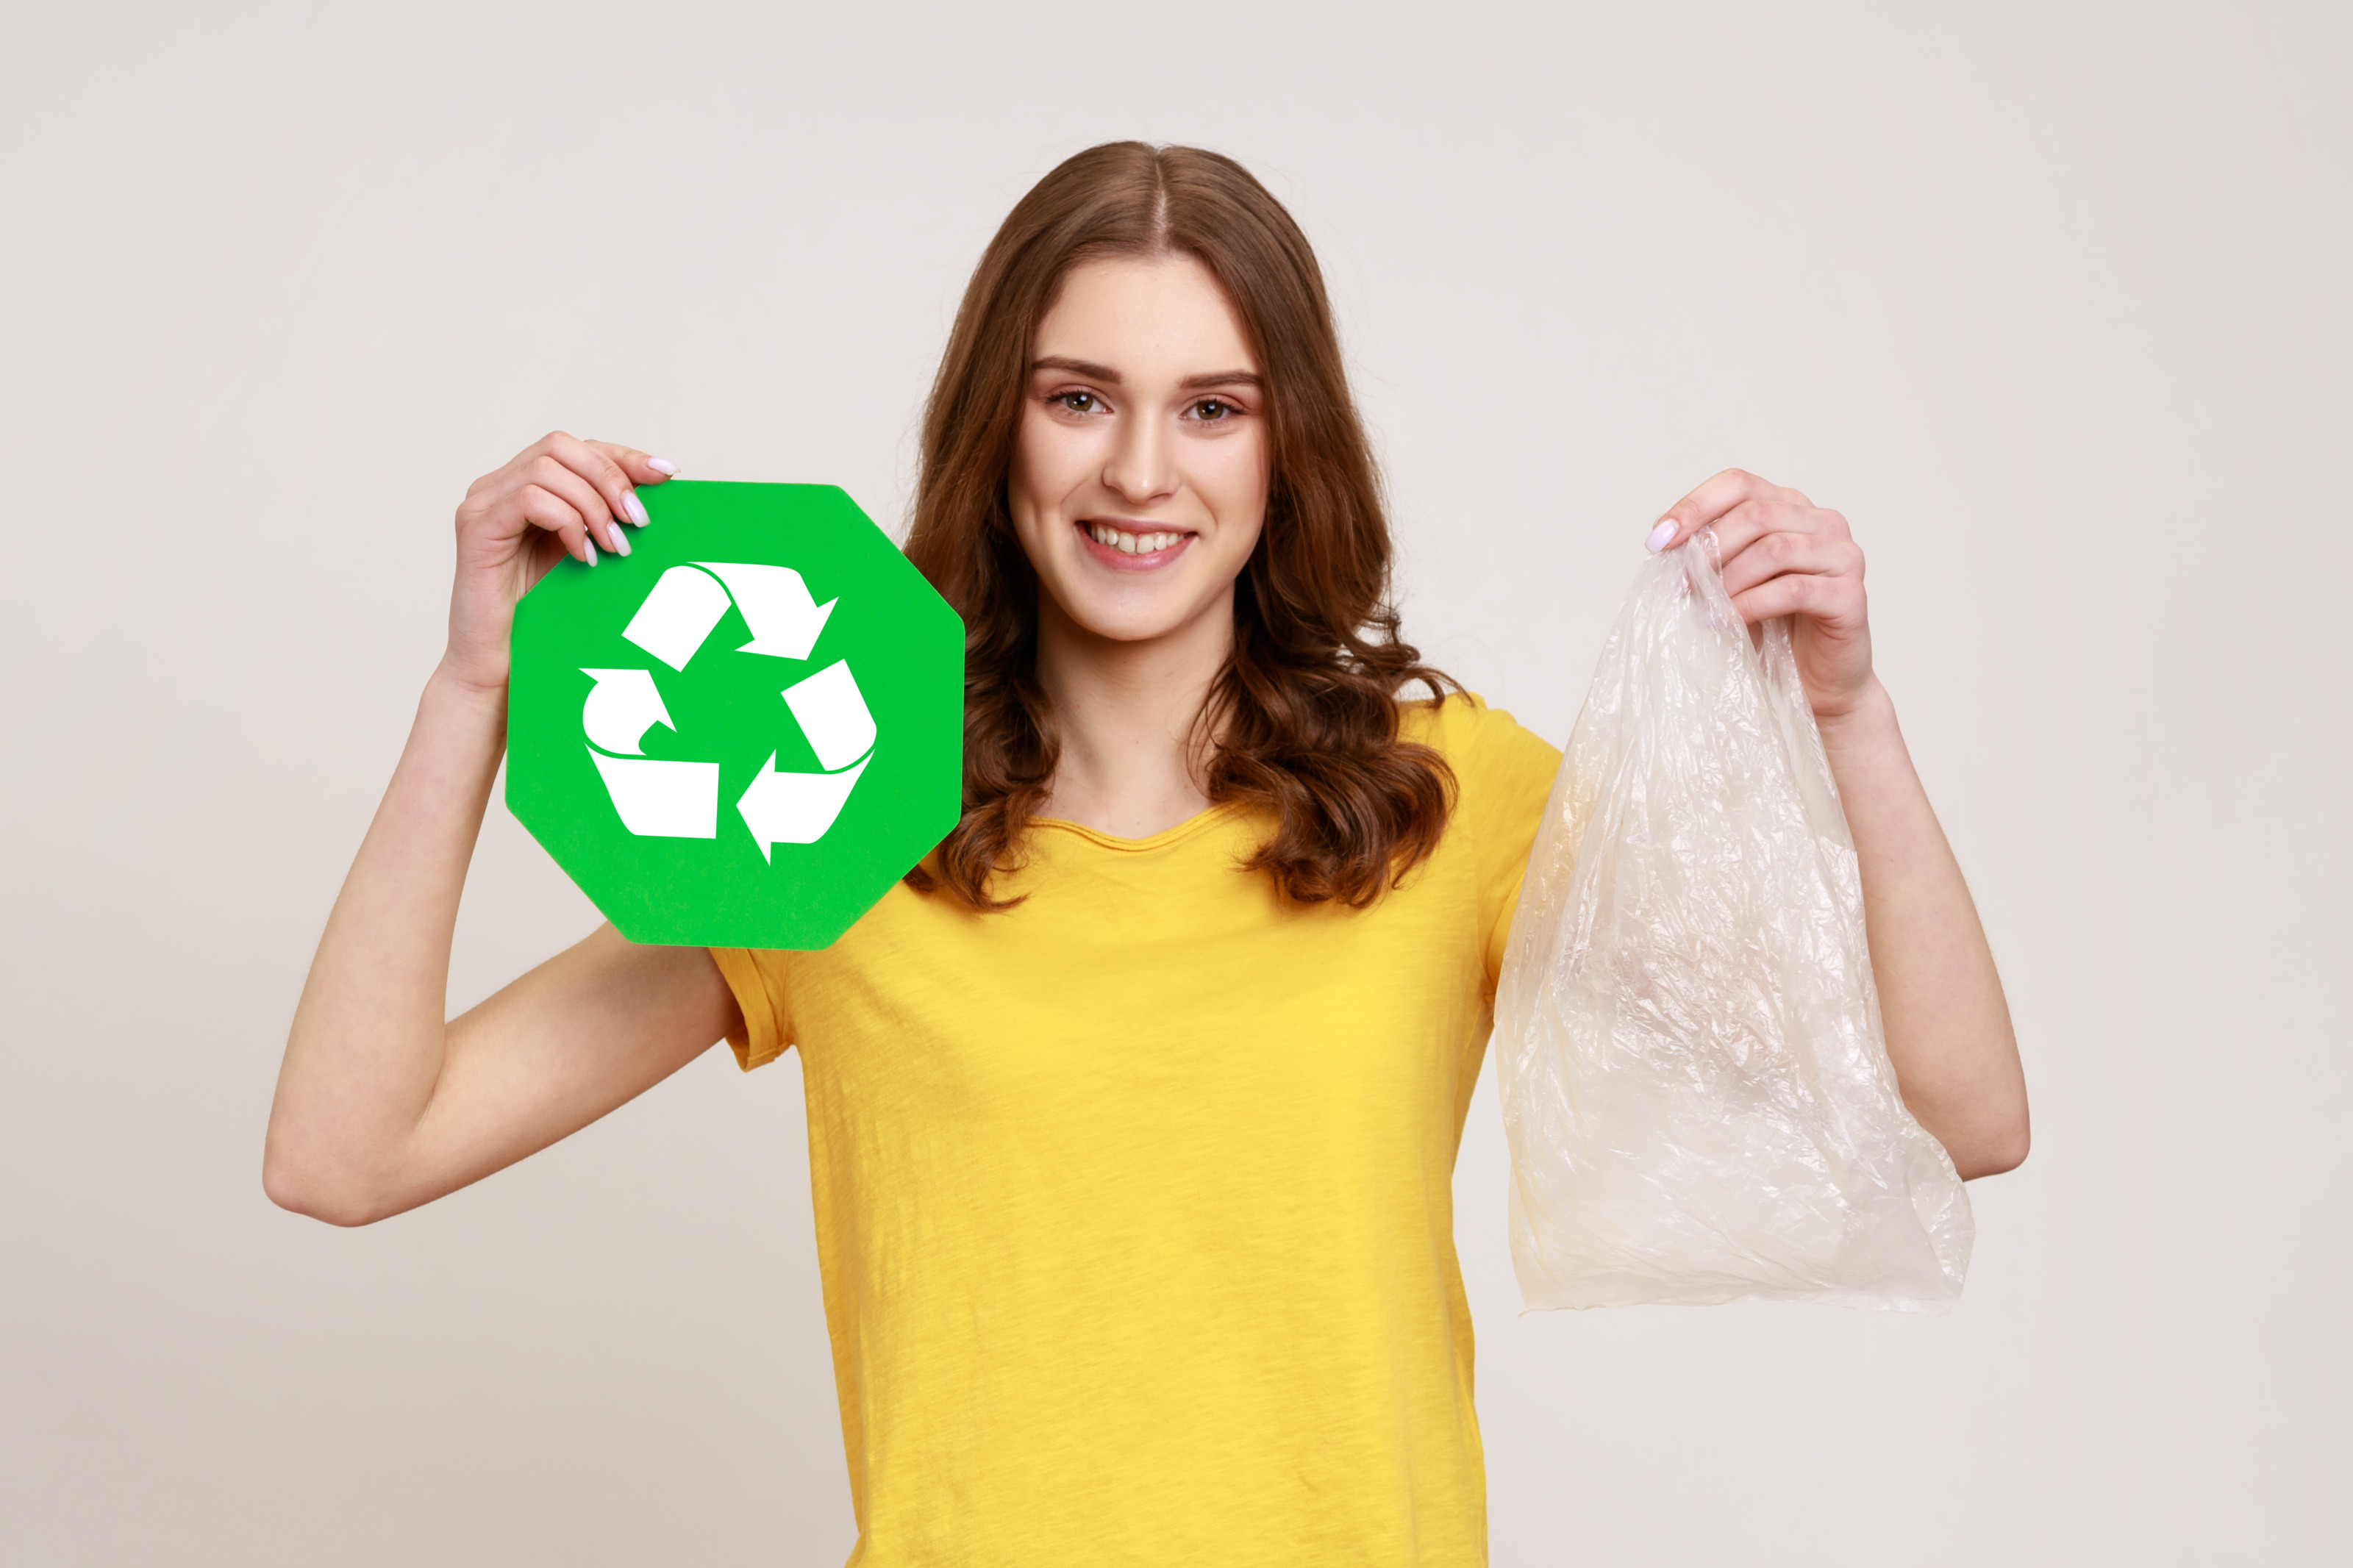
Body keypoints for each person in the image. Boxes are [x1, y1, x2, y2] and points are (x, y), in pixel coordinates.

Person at [265, 142, 2027, 1566]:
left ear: (1285, 446)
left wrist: (1849, 715)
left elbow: (1955, 1117)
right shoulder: (827, 804)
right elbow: (351, 1149)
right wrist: (474, 687)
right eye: (1078, 395)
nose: (1139, 468)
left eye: (1212, 406)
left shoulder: (1446, 801)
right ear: (1000, 424)